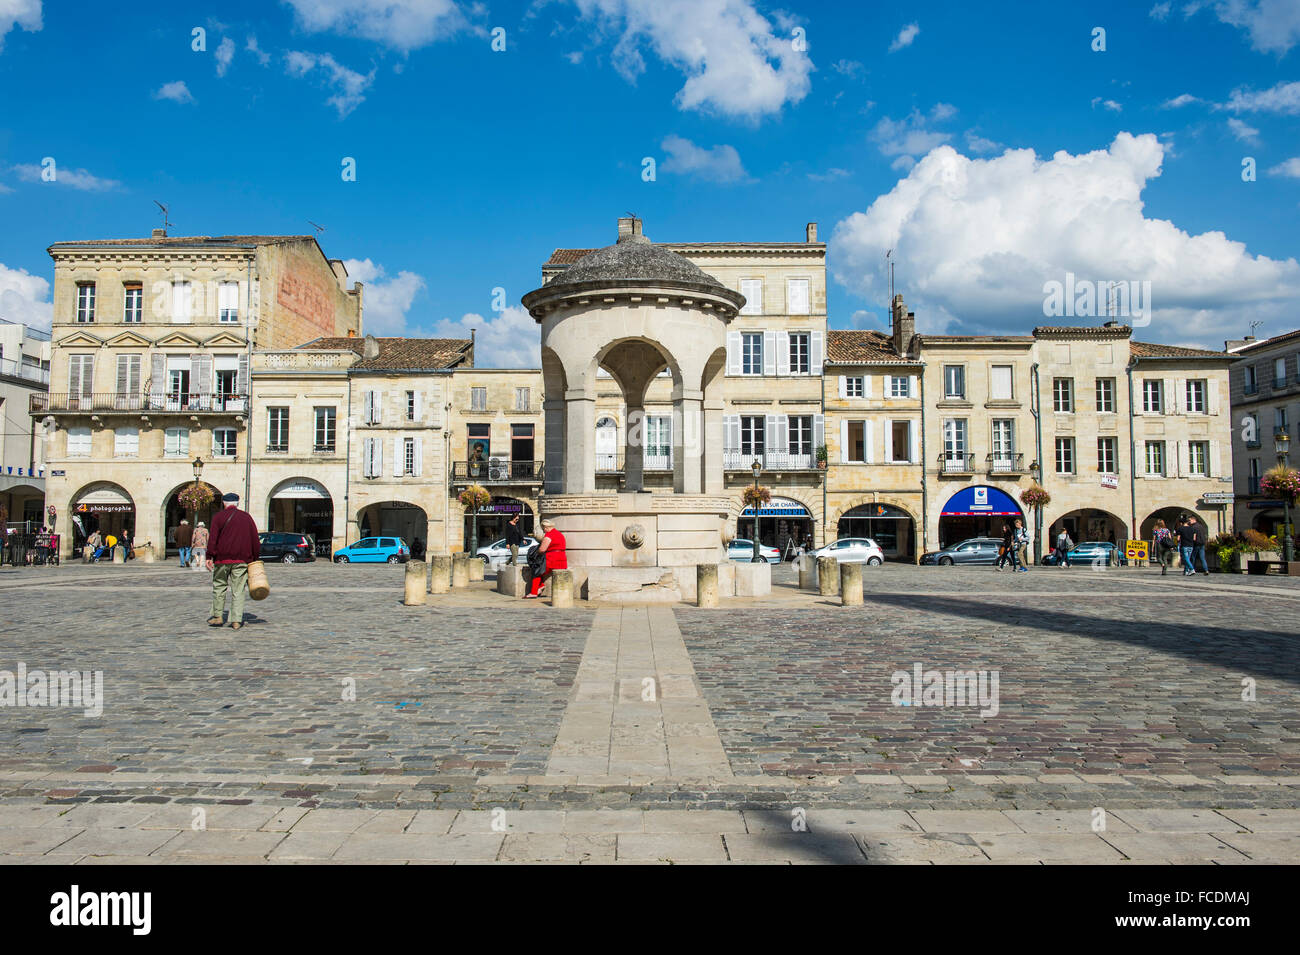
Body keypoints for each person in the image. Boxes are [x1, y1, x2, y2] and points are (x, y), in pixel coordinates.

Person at [205, 492, 260, 630]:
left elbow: (213, 539)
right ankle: (236, 620)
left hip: (221, 559)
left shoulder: (218, 517)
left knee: (219, 587)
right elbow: (255, 540)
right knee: (238, 589)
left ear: (224, 503)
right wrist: (254, 558)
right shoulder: (246, 518)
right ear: (238, 503)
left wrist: (209, 557)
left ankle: (218, 616)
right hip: (241, 560)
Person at [525, 519, 567, 599]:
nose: (543, 531)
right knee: (539, 569)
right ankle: (540, 587)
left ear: (545, 527)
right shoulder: (559, 534)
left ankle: (534, 591)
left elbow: (542, 549)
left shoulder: (549, 535)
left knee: (537, 570)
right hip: (562, 560)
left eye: (543, 528)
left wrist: (536, 552)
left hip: (552, 559)